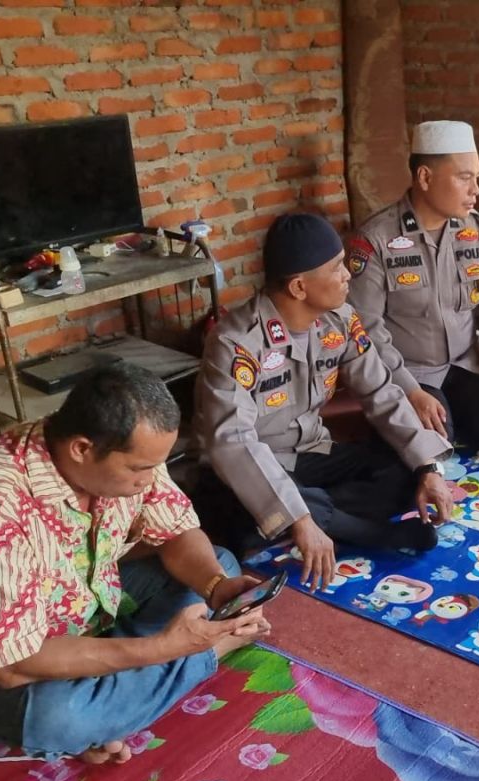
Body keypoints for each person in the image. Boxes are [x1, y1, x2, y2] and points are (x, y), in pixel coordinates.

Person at [0, 364, 268, 763]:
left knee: (219, 562)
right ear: (82, 449)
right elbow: (12, 665)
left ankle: (121, 697)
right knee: (62, 718)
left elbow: (174, 529)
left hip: (85, 610)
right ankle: (203, 654)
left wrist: (215, 586)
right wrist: (159, 649)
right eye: (140, 468)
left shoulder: (112, 458)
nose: (151, 478)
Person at [192, 212, 454, 593]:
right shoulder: (237, 342)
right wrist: (298, 517)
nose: (348, 274)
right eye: (336, 268)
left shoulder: (341, 321)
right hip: (250, 470)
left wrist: (427, 468)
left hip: (313, 453)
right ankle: (367, 532)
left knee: (404, 465)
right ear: (299, 286)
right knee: (273, 504)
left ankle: (315, 520)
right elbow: (232, 442)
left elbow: (381, 392)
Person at [347, 120, 479, 448]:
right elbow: (365, 331)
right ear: (425, 178)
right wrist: (409, 391)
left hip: (464, 364)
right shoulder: (375, 240)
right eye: (464, 177)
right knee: (433, 441)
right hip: (411, 374)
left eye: (476, 177)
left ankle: (456, 416)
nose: (475, 189)